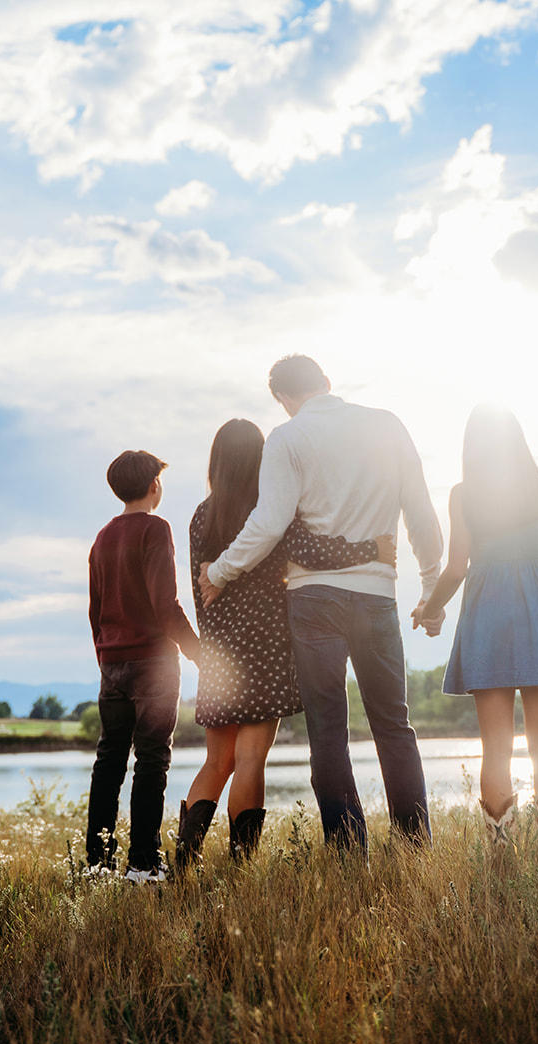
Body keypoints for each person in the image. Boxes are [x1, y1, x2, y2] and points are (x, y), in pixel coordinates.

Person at [199, 355, 444, 853]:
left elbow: (269, 525)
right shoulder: (387, 424)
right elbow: (420, 509)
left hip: (313, 600)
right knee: (394, 724)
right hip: (376, 594)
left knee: (328, 730)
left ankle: (350, 851)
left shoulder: (288, 437)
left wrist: (219, 573)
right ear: (328, 383)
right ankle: (415, 845)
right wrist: (431, 590)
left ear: (284, 400)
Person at [174, 419, 396, 871]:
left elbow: (199, 585)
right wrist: (370, 549)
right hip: (267, 649)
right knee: (251, 756)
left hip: (219, 653)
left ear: (216, 462)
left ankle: (183, 862)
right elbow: (312, 552)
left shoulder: (201, 515)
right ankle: (240, 868)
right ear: (261, 461)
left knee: (217, 761)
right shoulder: (268, 508)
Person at [412, 406, 538, 845]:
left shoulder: (463, 495)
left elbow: (457, 568)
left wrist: (429, 610)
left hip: (487, 615)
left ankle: (501, 857)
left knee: (495, 749)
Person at [84, 449, 200, 882]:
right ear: (154, 485)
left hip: (111, 663)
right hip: (153, 662)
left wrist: (104, 655)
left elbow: (95, 609)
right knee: (152, 760)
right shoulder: (156, 529)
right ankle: (144, 865)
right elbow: (165, 605)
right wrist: (198, 653)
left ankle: (97, 863)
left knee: (109, 760)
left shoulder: (101, 538)